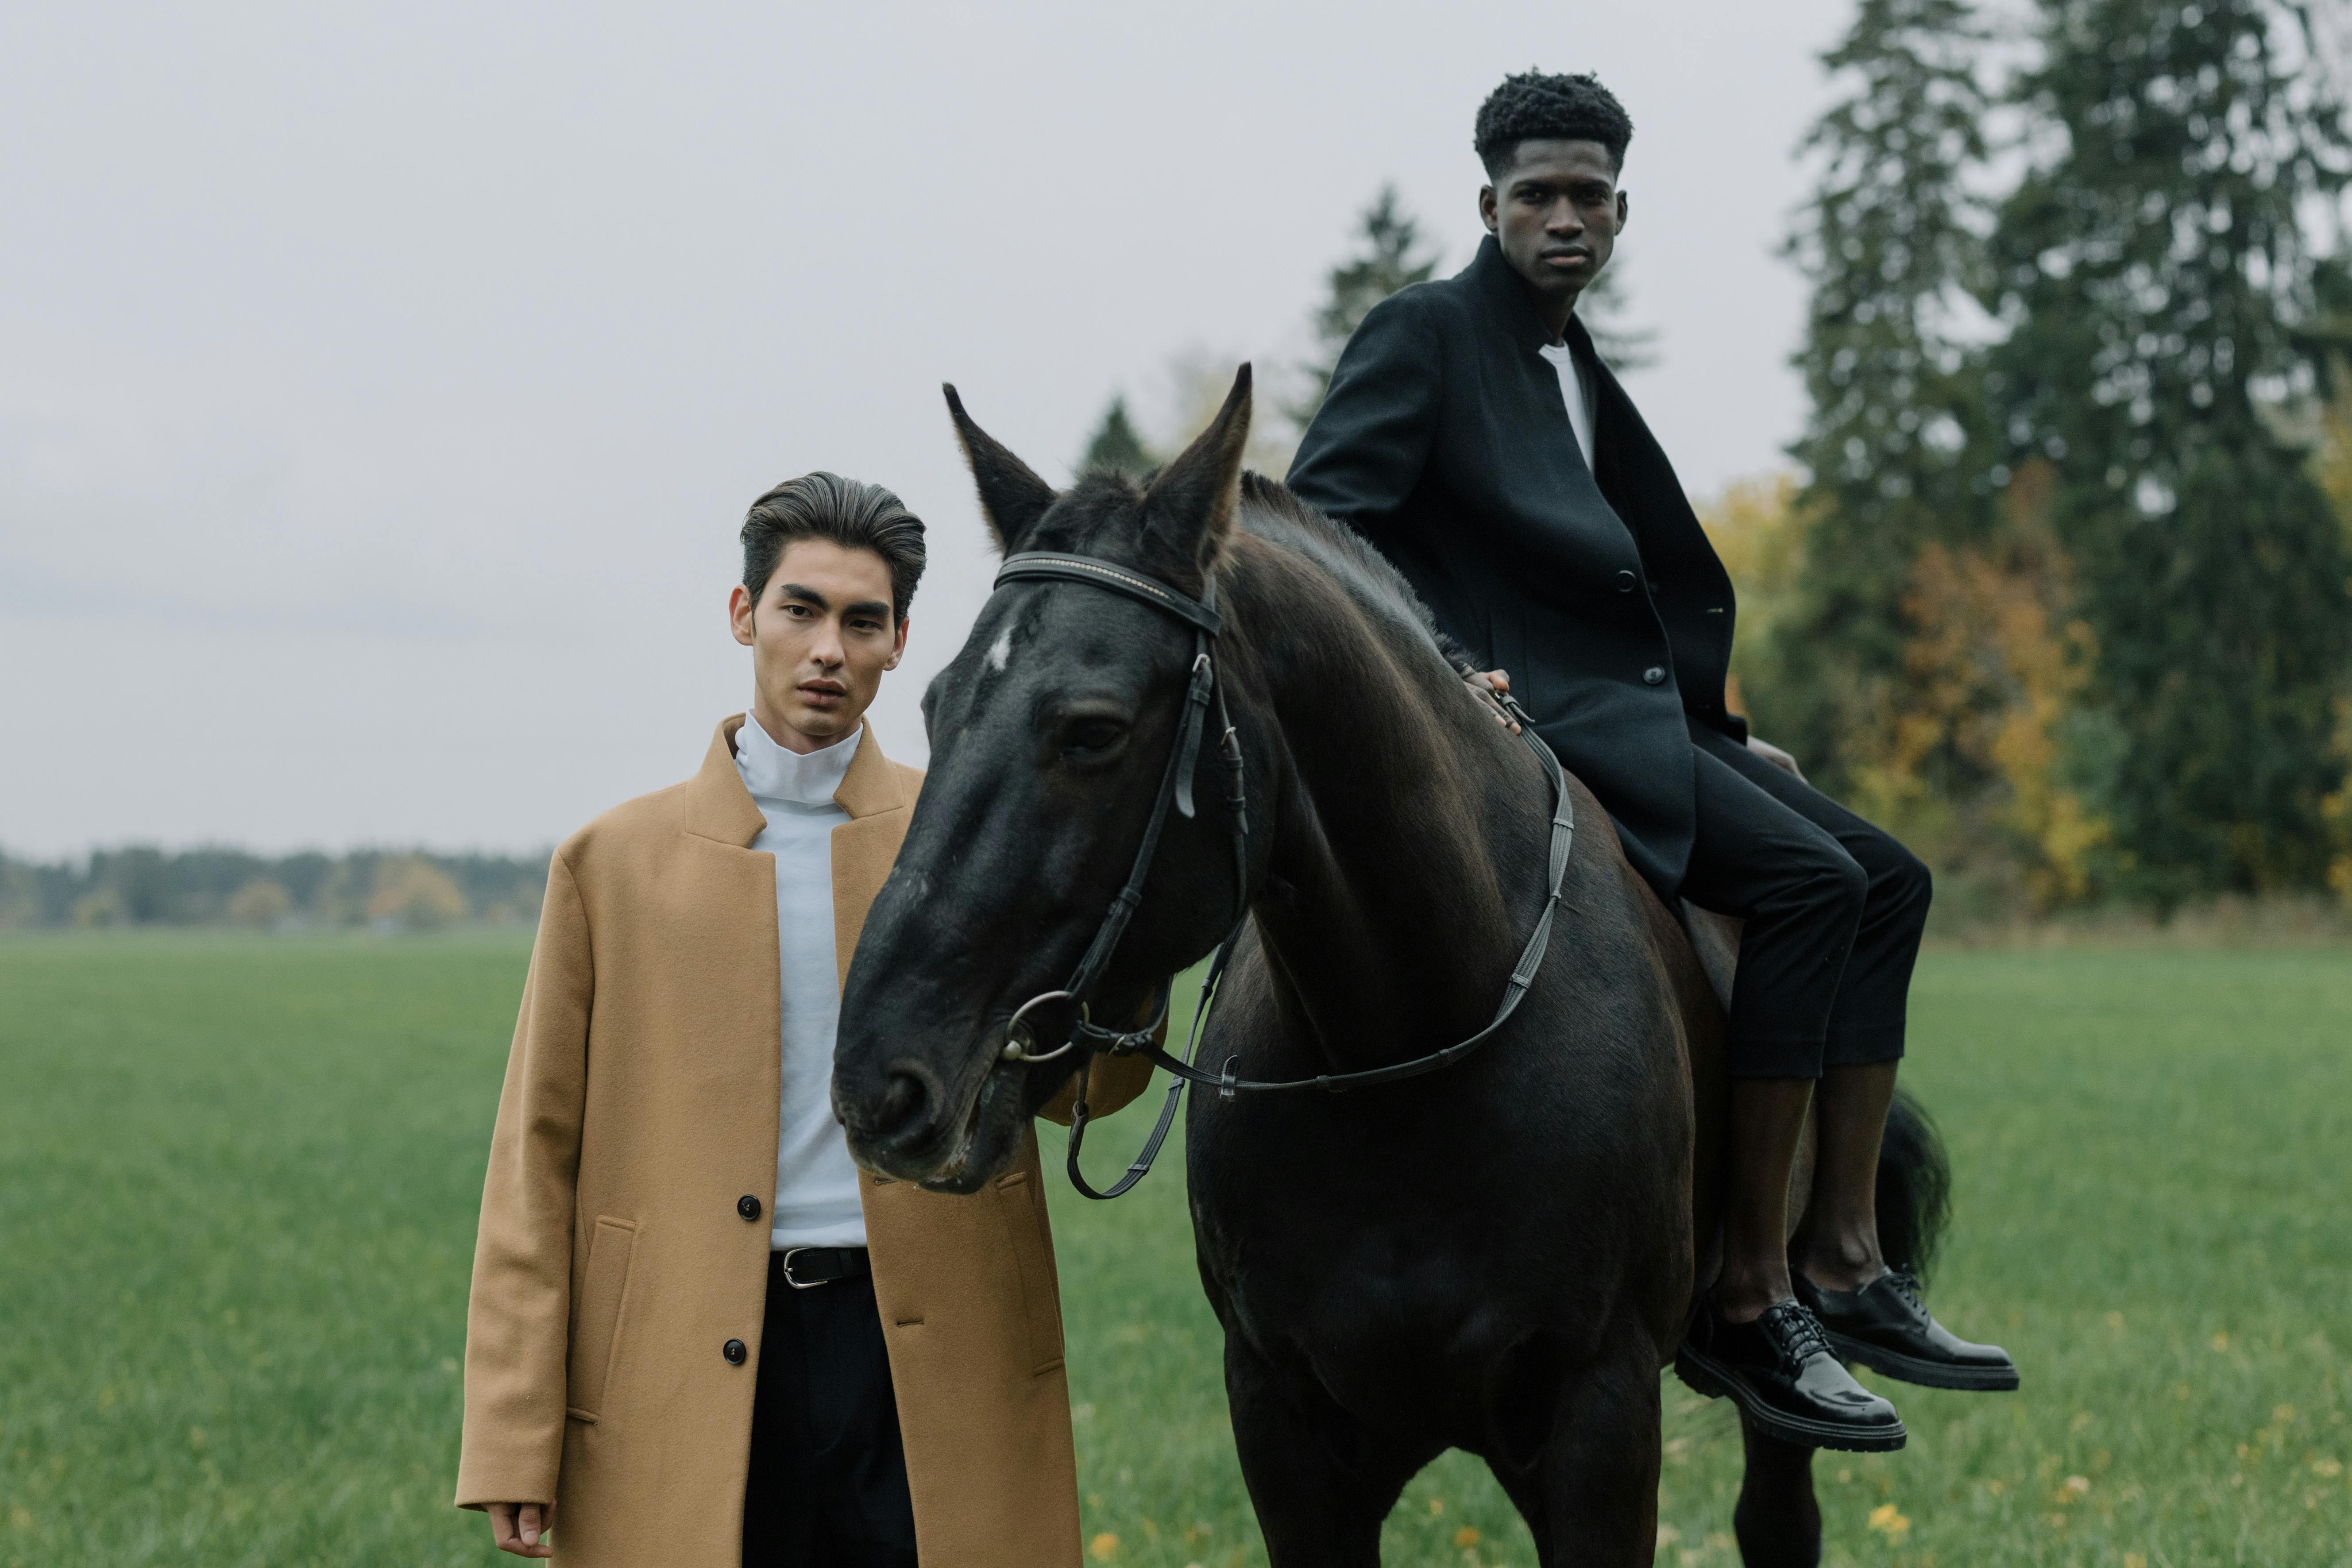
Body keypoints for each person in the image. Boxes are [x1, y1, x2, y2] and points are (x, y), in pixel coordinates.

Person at [1287, 71, 2015, 1451]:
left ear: (1622, 209)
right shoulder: (1425, 335)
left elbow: (1624, 586)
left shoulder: (1574, 363)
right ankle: (1748, 1287)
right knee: (1807, 883)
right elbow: (1327, 530)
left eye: (1587, 197)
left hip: (1649, 723)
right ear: (1486, 204)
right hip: (1524, 736)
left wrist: (1720, 729)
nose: (1564, 218)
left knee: (1889, 877)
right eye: (1536, 196)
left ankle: (1848, 1259)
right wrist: (1446, 664)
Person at [453, 473, 1152, 1564]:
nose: (828, 647)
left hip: (930, 1354)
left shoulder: (968, 834)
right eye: (801, 609)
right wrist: (510, 1434)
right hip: (692, 1366)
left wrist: (1136, 954)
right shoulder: (610, 865)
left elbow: (1085, 1090)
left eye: (861, 621)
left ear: (898, 643)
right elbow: (534, 1163)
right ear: (745, 617)